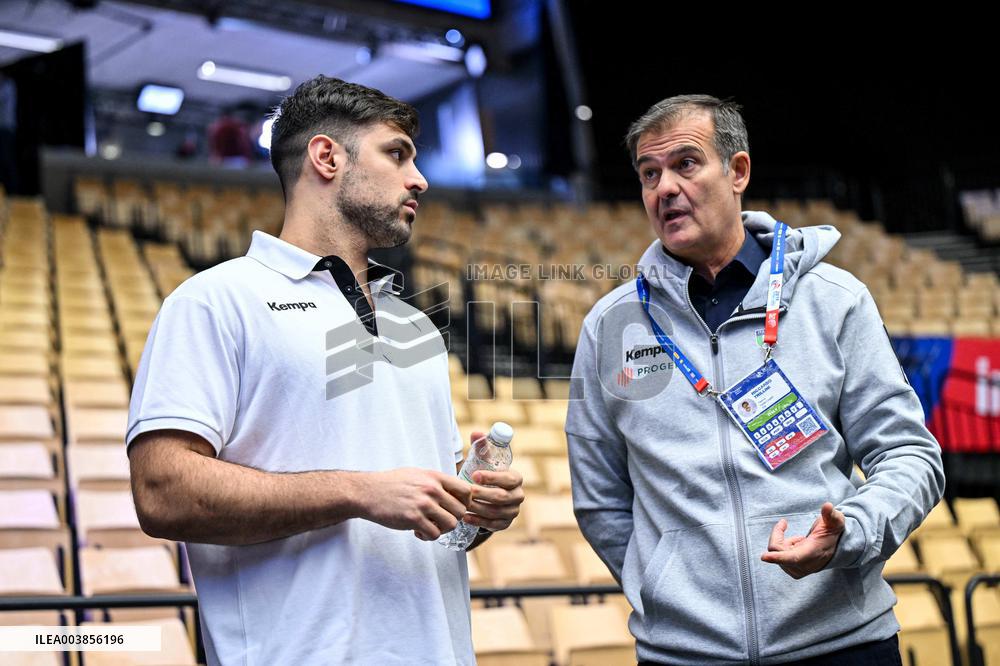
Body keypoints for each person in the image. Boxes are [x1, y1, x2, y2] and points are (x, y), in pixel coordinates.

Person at [127, 76, 525, 666]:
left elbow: (428, 523)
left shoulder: (416, 326)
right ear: (326, 157)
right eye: (397, 154)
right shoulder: (215, 300)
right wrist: (359, 491)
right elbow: (161, 492)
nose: (419, 179)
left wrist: (476, 510)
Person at [566, 94, 944, 665]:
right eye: (649, 174)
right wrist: (667, 590)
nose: (665, 188)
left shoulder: (834, 301)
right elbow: (600, 498)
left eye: (685, 164)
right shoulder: (610, 326)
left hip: (843, 642)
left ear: (737, 171)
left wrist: (851, 533)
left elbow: (910, 455)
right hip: (684, 654)